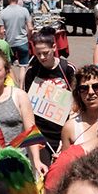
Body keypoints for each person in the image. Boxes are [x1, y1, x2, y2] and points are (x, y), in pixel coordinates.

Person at [0, 51, 44, 173]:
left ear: (6, 72)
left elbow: (31, 131)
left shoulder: (19, 96)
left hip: (17, 162)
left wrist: (36, 161)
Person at [22, 31, 76, 162]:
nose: (42, 57)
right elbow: (27, 105)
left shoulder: (68, 69)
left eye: (46, 53)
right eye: (38, 53)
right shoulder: (32, 72)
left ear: (54, 47)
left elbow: (76, 103)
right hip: (41, 133)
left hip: (63, 130)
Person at [60, 65, 98, 151]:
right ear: (78, 92)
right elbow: (65, 162)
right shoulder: (70, 127)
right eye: (84, 88)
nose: (90, 92)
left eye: (96, 86)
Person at [0, 0, 34, 82]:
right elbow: (30, 28)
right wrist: (28, 37)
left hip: (9, 42)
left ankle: (13, 85)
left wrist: (3, 39)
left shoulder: (2, 12)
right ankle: (22, 86)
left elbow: (1, 31)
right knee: (23, 66)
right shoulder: (24, 10)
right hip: (22, 41)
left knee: (9, 66)